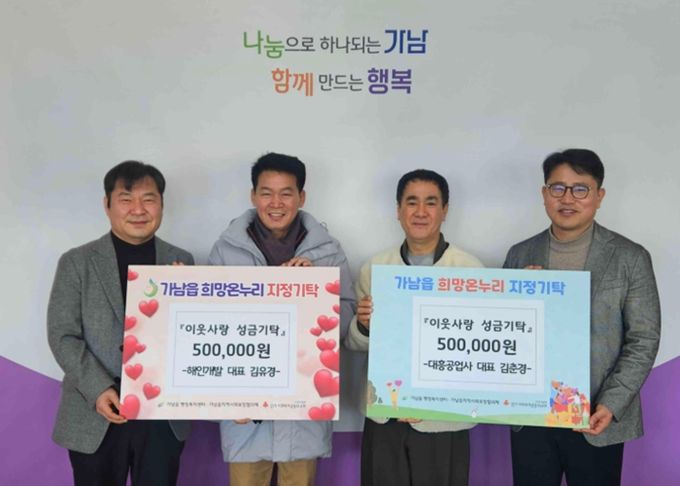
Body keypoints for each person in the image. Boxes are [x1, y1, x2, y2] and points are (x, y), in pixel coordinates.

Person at [504, 149, 661, 486]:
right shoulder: (520, 254)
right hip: (532, 415)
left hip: (596, 416)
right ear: (544, 194)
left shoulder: (630, 257)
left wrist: (611, 404)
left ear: (599, 196)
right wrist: (516, 299)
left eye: (580, 189)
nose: (567, 198)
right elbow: (505, 332)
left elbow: (643, 339)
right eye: (557, 188)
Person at [208, 152, 355, 486]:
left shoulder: (328, 252)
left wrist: (317, 290)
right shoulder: (226, 250)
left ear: (301, 197)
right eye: (266, 193)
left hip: (302, 413)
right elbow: (211, 328)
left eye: (286, 193)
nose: (276, 203)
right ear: (253, 196)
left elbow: (346, 320)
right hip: (244, 413)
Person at [47, 160, 194, 485]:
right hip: (94, 410)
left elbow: (193, 337)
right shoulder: (77, 262)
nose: (138, 209)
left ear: (162, 204)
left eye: (148, 199)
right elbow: (63, 335)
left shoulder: (181, 261)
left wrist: (188, 297)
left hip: (161, 415)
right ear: (107, 204)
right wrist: (98, 389)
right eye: (126, 199)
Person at [345, 169, 483, 486]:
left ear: (444, 210)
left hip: (443, 421)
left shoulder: (469, 270)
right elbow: (355, 345)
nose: (420, 212)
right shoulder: (376, 267)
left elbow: (475, 353)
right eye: (411, 202)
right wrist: (363, 326)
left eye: (430, 202)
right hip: (385, 416)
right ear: (398, 210)